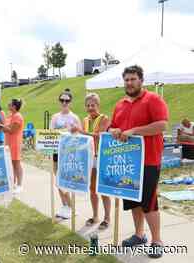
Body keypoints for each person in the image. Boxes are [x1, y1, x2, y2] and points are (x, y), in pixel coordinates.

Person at [109, 65, 169, 258]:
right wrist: (113, 131)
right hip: (127, 161)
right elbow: (112, 126)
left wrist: (134, 130)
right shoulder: (120, 104)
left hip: (149, 160)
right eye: (126, 79)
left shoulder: (153, 99)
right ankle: (139, 234)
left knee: (149, 201)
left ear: (141, 80)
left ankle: (157, 240)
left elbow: (161, 125)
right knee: (133, 199)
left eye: (133, 79)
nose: (129, 82)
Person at [50, 89, 82, 219]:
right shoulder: (55, 117)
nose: (64, 102)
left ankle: (71, 207)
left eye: (67, 100)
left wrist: (73, 131)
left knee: (67, 181)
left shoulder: (74, 117)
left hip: (69, 154)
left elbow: (79, 134)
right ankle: (65, 206)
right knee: (58, 180)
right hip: (56, 152)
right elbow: (50, 134)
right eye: (62, 100)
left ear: (70, 102)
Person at [81, 93, 111, 229]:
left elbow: (99, 136)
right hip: (89, 158)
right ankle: (95, 216)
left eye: (92, 105)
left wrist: (81, 133)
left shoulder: (104, 118)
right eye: (88, 105)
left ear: (98, 105)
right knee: (92, 189)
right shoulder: (85, 120)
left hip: (102, 158)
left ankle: (107, 218)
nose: (90, 108)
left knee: (103, 189)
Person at [0, 99, 24, 194]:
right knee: (11, 163)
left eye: (10, 104)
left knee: (16, 163)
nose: (8, 105)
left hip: (15, 143)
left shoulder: (17, 116)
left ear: (14, 106)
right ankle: (13, 183)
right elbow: (5, 129)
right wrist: (0, 126)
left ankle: (20, 185)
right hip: (8, 143)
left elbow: (12, 130)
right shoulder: (10, 116)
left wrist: (1, 126)